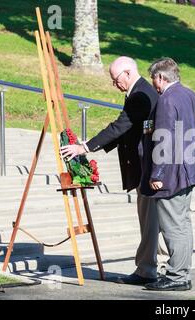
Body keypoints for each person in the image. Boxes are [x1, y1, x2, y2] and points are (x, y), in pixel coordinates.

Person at [60, 56, 161, 285]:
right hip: (149, 167)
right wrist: (92, 145)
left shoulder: (139, 95)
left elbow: (121, 125)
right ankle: (156, 265)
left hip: (148, 168)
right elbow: (127, 129)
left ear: (127, 73)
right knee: (153, 220)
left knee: (149, 220)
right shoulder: (140, 91)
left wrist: (84, 147)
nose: (114, 85)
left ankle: (146, 270)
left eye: (116, 80)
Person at [142, 57, 195, 291]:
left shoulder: (167, 100)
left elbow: (164, 138)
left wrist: (156, 173)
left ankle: (177, 276)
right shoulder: (192, 96)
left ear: (161, 77)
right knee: (183, 223)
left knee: (173, 226)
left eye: (154, 79)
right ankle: (182, 272)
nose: (154, 85)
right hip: (190, 167)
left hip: (172, 172)